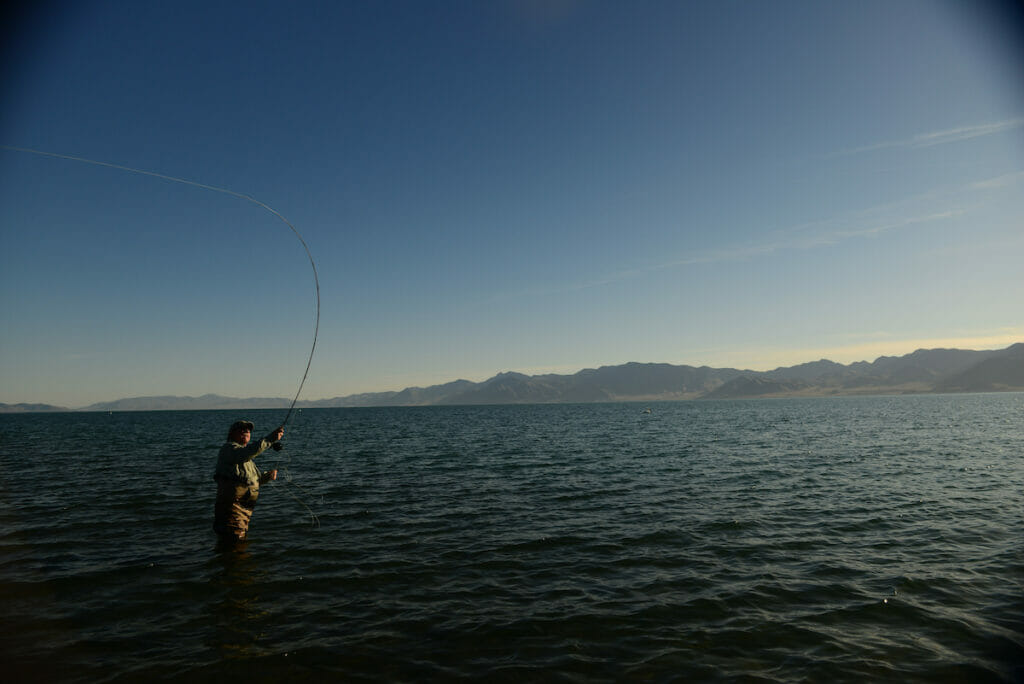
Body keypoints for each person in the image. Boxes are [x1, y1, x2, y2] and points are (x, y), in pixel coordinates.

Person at [213, 420, 284, 545]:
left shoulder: (246, 459)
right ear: (231, 434)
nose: (246, 431)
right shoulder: (228, 449)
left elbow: (253, 481)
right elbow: (248, 452)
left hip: (244, 512)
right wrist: (270, 439)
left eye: (248, 430)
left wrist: (267, 477)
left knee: (238, 542)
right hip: (232, 509)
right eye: (241, 429)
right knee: (233, 543)